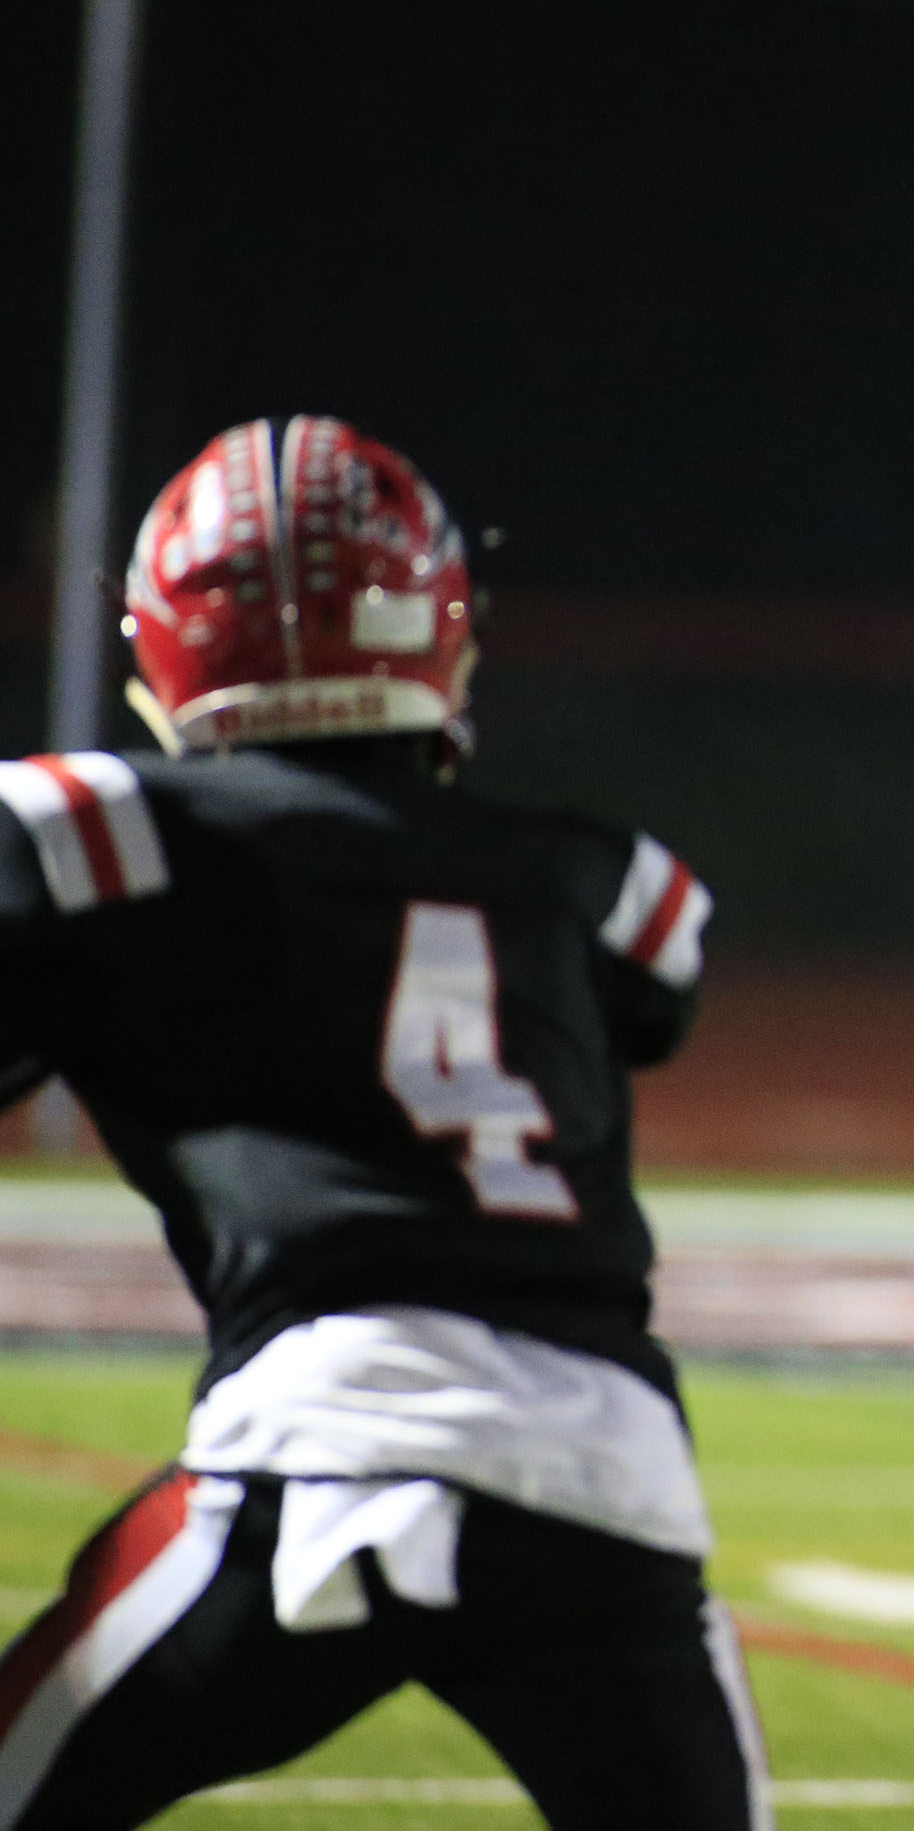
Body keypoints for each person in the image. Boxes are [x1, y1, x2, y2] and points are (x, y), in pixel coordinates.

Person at [0, 417, 765, 1831]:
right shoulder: (599, 881)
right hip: (609, 1481)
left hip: (316, 1453)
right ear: (440, 635)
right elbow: (650, 993)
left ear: (163, 647)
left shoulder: (94, 837)